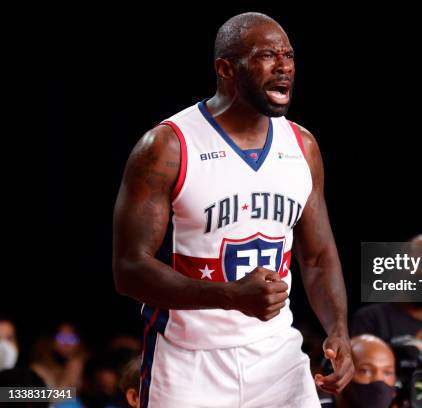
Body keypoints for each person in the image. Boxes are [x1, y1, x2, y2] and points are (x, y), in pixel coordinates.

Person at [112, 12, 353, 407]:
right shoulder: (167, 146)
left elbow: (319, 256)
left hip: (278, 357)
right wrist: (229, 295)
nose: (284, 67)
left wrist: (338, 329)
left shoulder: (303, 146)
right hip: (189, 361)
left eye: (288, 55)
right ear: (225, 68)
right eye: (266, 55)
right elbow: (128, 270)